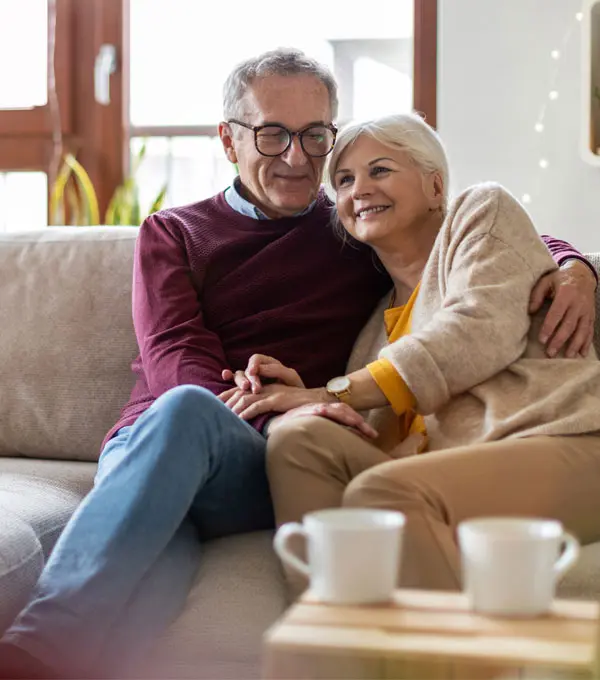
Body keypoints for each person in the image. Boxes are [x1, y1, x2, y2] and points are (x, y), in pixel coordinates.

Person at [0, 51, 595, 679]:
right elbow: (175, 357)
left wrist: (574, 266)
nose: (296, 156)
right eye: (271, 133)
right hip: (165, 440)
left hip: (272, 458)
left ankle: (26, 656)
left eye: (315, 136)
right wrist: (284, 408)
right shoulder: (173, 233)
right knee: (157, 544)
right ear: (228, 140)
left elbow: (474, 242)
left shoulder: (349, 224)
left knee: (245, 442)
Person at [220, 112, 600, 598]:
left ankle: (449, 665)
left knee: (385, 493)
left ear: (435, 186)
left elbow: (478, 330)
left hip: (563, 441)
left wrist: (336, 390)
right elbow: (386, 439)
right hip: (458, 471)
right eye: (343, 180)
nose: (359, 189)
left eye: (380, 170)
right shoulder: (373, 333)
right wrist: (314, 404)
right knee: (300, 438)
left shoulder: (481, 214)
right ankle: (332, 634)